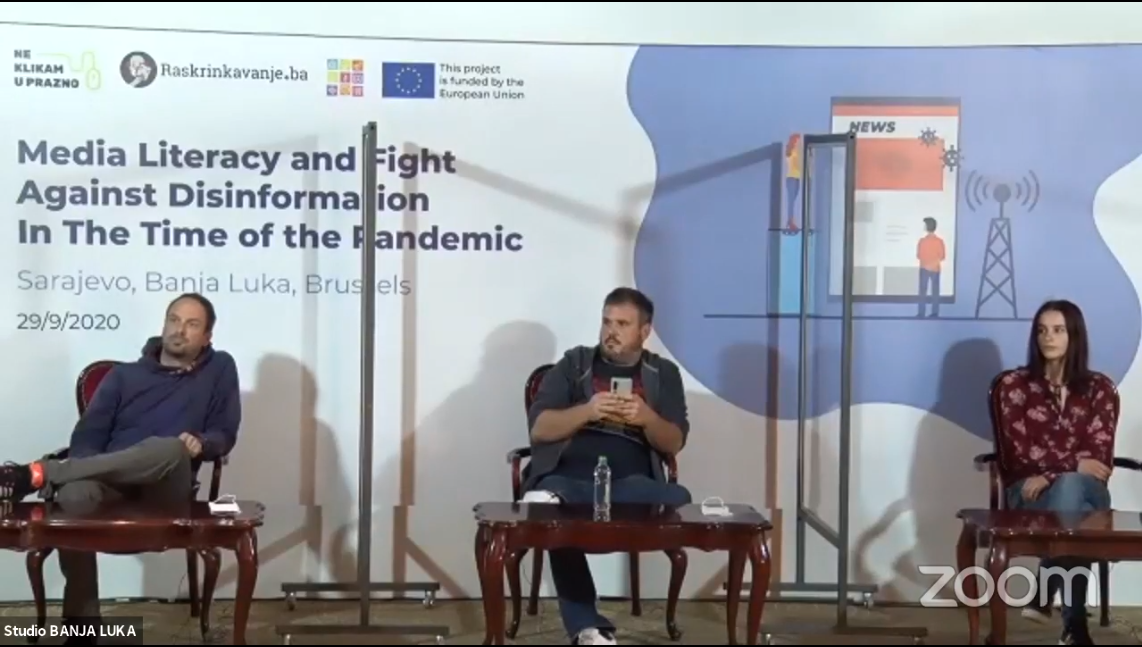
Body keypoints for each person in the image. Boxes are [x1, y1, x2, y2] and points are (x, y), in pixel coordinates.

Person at [0, 292, 242, 642]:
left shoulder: (219, 369)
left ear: (207, 336)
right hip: (109, 484)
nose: (179, 330)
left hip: (167, 485)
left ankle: (39, 474)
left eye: (192, 324)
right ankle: (82, 628)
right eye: (174, 320)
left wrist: (203, 443)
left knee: (170, 446)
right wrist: (86, 469)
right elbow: (87, 439)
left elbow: (225, 432)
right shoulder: (123, 376)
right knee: (73, 495)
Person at [524, 287, 692, 646]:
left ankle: (561, 494)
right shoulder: (574, 364)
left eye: (622, 324)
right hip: (572, 467)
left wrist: (646, 418)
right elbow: (539, 429)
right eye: (606, 321)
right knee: (554, 518)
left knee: (677, 497)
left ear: (644, 331)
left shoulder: (663, 373)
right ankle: (588, 628)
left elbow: (674, 442)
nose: (610, 331)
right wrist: (588, 411)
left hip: (632, 480)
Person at [994, 299, 1116, 646]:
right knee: (1075, 503)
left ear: (1074, 335)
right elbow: (1017, 452)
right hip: (1028, 492)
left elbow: (1098, 455)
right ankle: (1075, 626)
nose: (1048, 337)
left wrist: (1050, 473)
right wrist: (1070, 466)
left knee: (1072, 487)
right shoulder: (1014, 386)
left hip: (1086, 489)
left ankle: (1046, 586)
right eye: (1042, 330)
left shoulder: (1099, 389)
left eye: (1058, 330)